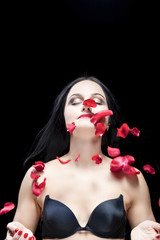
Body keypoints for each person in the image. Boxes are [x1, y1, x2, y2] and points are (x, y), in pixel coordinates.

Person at [5, 76, 160, 240]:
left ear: (108, 122)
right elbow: (18, 234)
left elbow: (149, 234)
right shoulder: (37, 176)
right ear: (64, 119)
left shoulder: (131, 178)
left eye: (97, 101)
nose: (86, 105)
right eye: (75, 101)